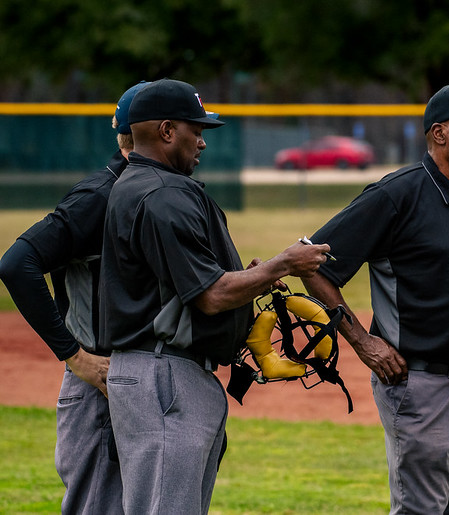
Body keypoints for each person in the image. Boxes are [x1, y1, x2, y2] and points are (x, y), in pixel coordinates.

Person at [98, 78, 329, 514]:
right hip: (164, 375)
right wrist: (284, 264)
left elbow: (180, 284)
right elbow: (209, 296)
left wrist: (255, 277)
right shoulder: (163, 193)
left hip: (162, 373)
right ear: (167, 131)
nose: (202, 142)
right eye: (195, 130)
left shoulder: (144, 185)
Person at [301, 81, 449, 514]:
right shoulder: (396, 194)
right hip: (419, 384)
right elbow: (314, 264)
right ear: (439, 134)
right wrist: (363, 342)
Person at [0, 81, 150, 514]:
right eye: (184, 127)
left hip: (144, 381)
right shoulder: (99, 196)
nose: (198, 140)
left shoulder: (151, 193)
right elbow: (16, 263)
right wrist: (75, 356)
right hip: (98, 385)